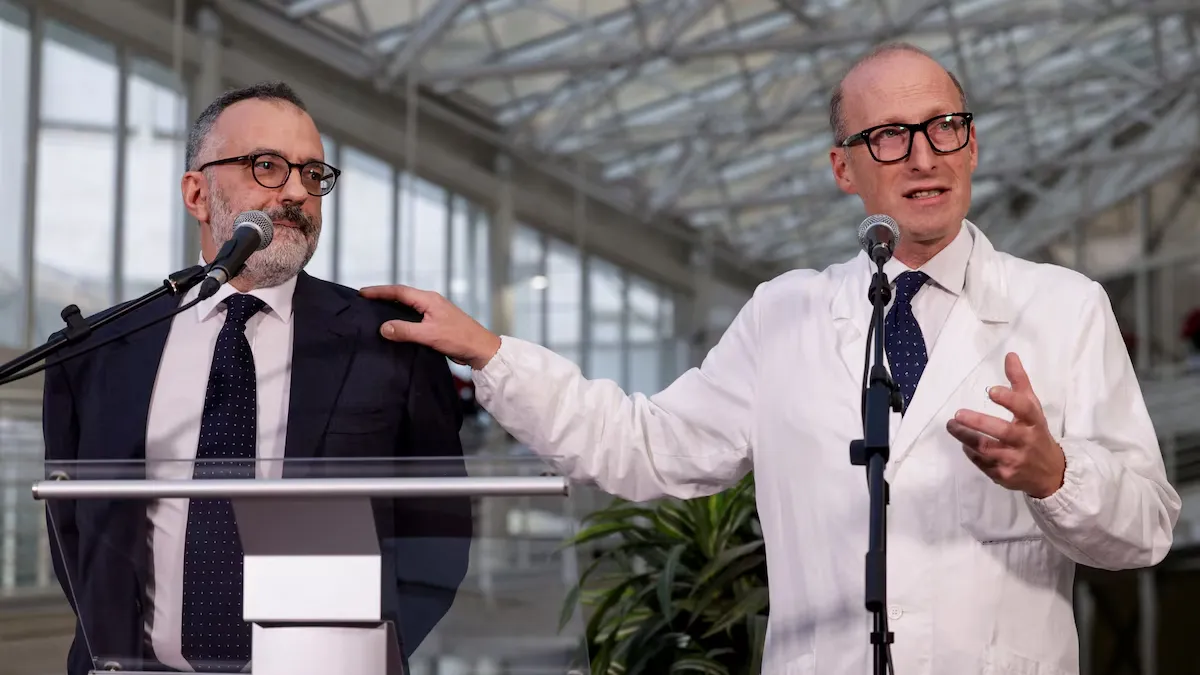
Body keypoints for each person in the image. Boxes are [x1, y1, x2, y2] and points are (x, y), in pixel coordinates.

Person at [360, 44, 1181, 675]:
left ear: (971, 145)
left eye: (944, 127)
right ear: (842, 168)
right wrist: (493, 355)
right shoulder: (784, 314)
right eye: (889, 137)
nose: (924, 156)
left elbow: (1145, 527)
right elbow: (647, 449)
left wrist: (1054, 475)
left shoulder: (1064, 308)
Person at [42, 82, 473, 675]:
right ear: (197, 193)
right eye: (266, 166)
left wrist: (357, 659)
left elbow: (438, 541)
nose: (297, 192)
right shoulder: (100, 348)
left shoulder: (392, 344)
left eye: (313, 173)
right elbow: (73, 532)